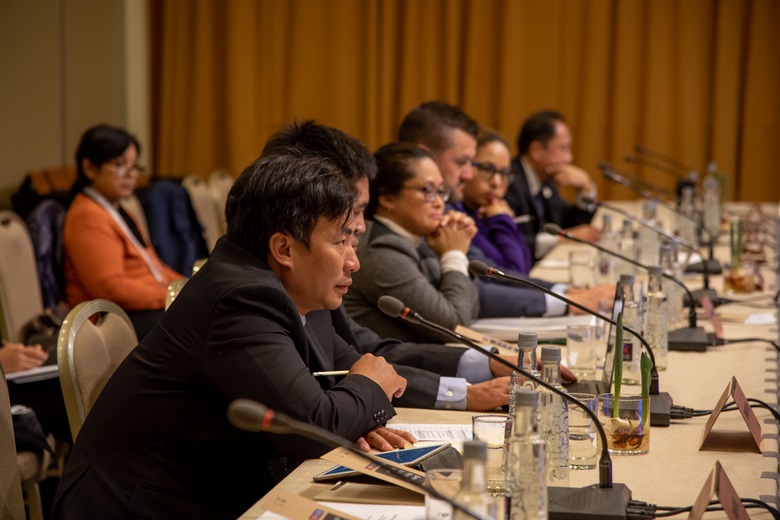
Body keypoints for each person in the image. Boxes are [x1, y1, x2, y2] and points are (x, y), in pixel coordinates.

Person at [52, 150, 413, 519]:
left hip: (214, 490)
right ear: (284, 248)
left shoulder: (286, 289)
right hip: (141, 507)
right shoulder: (240, 300)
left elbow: (332, 395)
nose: (354, 262)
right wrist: (365, 392)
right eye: (340, 242)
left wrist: (356, 413)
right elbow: (313, 427)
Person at [262, 120, 516, 411]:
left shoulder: (317, 272)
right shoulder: (261, 293)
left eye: (360, 210)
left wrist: (476, 378)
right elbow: (315, 409)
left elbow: (364, 355)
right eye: (352, 210)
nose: (359, 226)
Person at [399, 102, 613, 317]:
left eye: (504, 173)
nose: (468, 174)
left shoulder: (466, 210)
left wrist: (565, 293)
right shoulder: (440, 214)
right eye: (463, 162)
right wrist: (568, 300)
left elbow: (507, 271)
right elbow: (482, 288)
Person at [345, 142, 480, 343]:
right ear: (388, 198)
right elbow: (455, 326)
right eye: (427, 190)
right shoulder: (382, 252)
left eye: (441, 191)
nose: (439, 203)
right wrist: (454, 254)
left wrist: (450, 249)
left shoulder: (420, 239)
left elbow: (468, 309)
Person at [63, 124, 183, 339]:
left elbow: (154, 265)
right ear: (89, 168)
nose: (131, 174)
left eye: (134, 166)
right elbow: (110, 288)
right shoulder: (87, 215)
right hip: (111, 322)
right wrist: (169, 296)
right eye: (119, 165)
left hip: (141, 309)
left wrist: (188, 286)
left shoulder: (119, 209)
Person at [505, 110, 600, 260]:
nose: (569, 158)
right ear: (536, 150)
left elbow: (568, 224)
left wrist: (586, 189)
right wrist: (562, 238)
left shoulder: (546, 182)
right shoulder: (508, 184)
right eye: (563, 148)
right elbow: (511, 241)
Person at [458, 128, 533, 274]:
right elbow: (514, 273)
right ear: (465, 166)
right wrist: (502, 220)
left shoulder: (487, 210)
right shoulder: (459, 217)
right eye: (486, 169)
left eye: (504, 173)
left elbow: (526, 264)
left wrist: (508, 220)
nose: (496, 182)